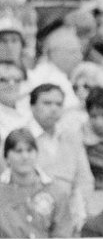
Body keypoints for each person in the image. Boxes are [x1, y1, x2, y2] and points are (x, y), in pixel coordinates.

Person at [27, 83, 93, 227]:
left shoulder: (72, 137)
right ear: (32, 107)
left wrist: (78, 209)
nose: (53, 108)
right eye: (47, 103)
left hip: (70, 213)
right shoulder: (21, 138)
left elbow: (85, 180)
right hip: (31, 213)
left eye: (58, 104)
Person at [0, 129, 74, 238]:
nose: (25, 156)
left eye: (29, 150)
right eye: (18, 151)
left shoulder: (56, 192)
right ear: (6, 157)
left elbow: (63, 235)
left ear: (37, 154)